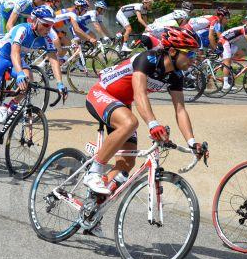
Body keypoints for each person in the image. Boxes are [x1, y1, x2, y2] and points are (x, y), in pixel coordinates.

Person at [83, 27, 207, 194]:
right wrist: (153, 124)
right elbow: (139, 92)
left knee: (127, 163)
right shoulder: (147, 59)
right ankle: (93, 172)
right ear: (172, 51)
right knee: (130, 123)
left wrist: (192, 143)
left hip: (122, 103)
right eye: (190, 54)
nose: (194, 59)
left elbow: (180, 110)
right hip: (101, 93)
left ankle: (94, 201)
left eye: (196, 54)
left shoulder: (176, 75)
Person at [0, 6, 67, 157]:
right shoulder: (22, 29)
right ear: (35, 21)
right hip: (2, 56)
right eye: (45, 24)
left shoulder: (48, 36)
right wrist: (20, 74)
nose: (48, 28)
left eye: (51, 25)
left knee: (29, 81)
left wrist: (60, 84)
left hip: (17, 59)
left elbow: (54, 59)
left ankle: (9, 105)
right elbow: (14, 52)